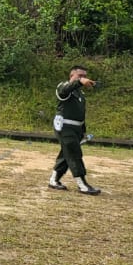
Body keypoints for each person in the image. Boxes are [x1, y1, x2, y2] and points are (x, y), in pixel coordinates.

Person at [50, 65, 101, 195]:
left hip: (76, 128)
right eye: (80, 76)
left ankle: (54, 180)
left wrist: (83, 131)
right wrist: (79, 82)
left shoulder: (80, 93)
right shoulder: (64, 87)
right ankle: (82, 184)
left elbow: (81, 114)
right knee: (74, 154)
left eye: (85, 76)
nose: (83, 78)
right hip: (64, 127)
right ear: (72, 75)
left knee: (66, 154)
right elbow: (65, 89)